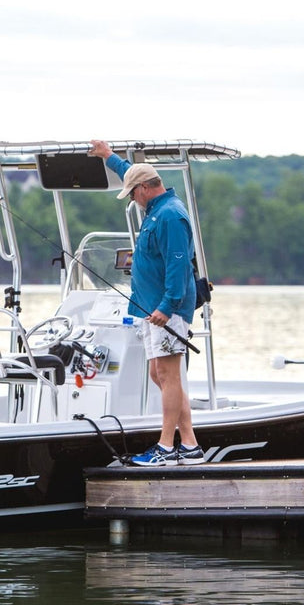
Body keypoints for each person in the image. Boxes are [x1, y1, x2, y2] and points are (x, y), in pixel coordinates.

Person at [88, 139, 205, 466]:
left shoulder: (170, 216)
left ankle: (166, 446)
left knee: (167, 375)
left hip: (167, 311)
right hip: (151, 308)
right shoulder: (156, 205)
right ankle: (191, 444)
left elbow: (178, 264)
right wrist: (108, 156)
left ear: (144, 190)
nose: (133, 201)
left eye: (133, 194)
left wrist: (167, 307)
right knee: (160, 374)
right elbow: (131, 172)